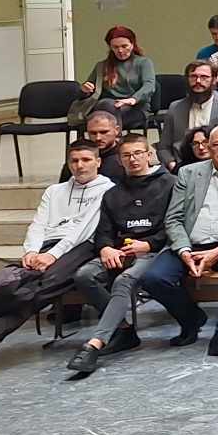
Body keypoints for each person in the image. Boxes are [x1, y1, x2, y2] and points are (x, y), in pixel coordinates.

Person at [0, 143, 109, 384]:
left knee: (32, 290)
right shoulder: (54, 191)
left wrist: (53, 256)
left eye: (86, 160)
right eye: (74, 160)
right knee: (22, 290)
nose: (80, 165)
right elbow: (38, 224)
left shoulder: (107, 189)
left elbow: (83, 230)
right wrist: (31, 250)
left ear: (98, 162)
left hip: (81, 248)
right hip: (45, 247)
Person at [135, 124, 218, 360]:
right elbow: (173, 218)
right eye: (216, 144)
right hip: (190, 244)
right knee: (153, 278)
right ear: (208, 146)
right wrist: (184, 250)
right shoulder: (189, 173)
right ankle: (191, 319)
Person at [61, 136, 175, 377]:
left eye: (138, 153)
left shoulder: (170, 184)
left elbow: (175, 224)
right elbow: (103, 232)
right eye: (126, 155)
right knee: (84, 275)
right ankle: (124, 329)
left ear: (149, 155)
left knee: (124, 281)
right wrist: (105, 248)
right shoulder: (113, 192)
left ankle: (94, 344)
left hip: (153, 250)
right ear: (120, 160)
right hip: (120, 250)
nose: (133, 159)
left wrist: (149, 244)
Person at [156, 59, 218, 171]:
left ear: (214, 80)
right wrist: (174, 166)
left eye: (204, 77)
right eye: (193, 77)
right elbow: (163, 148)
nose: (198, 81)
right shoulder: (175, 107)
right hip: (181, 167)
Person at [75, 25, 157, 128]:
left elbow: (149, 85)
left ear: (132, 45)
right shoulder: (102, 66)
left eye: (124, 46)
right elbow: (85, 94)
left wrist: (133, 99)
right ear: (110, 47)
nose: (120, 50)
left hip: (135, 108)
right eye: (115, 47)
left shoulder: (143, 63)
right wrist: (84, 90)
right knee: (107, 106)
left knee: (107, 110)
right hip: (107, 107)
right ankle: (114, 135)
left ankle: (113, 136)